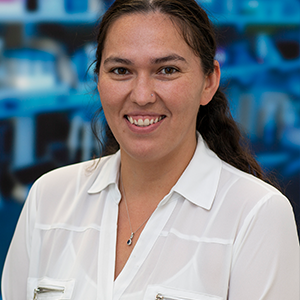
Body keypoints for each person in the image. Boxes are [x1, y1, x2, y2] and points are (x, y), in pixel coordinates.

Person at [2, 0, 299, 299]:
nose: (142, 95)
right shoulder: (49, 198)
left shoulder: (256, 215)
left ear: (209, 81)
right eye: (121, 70)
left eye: (167, 70)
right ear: (98, 79)